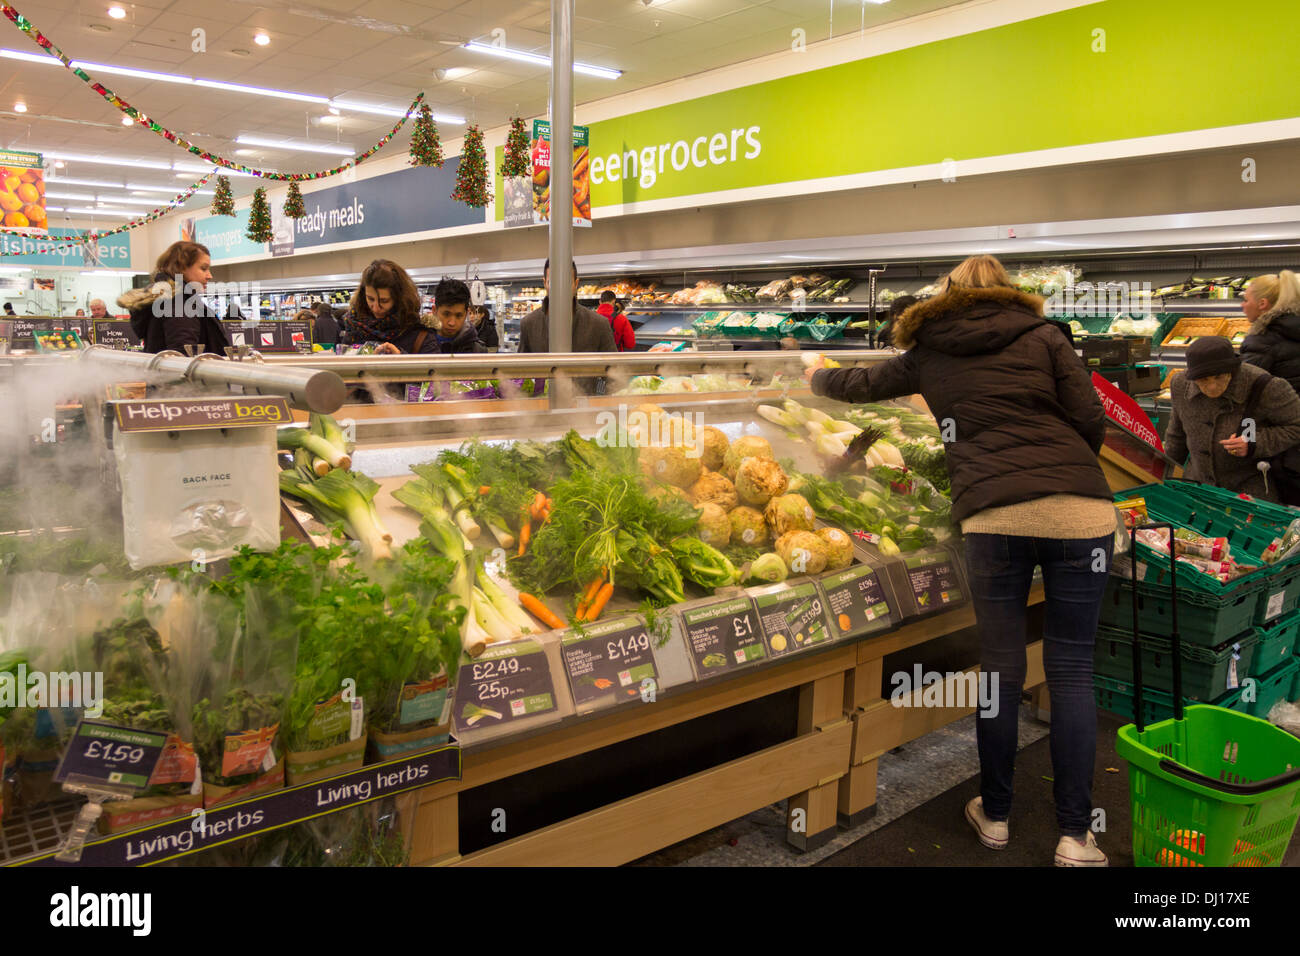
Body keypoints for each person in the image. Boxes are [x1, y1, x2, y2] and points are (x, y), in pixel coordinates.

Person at [806, 254, 1116, 867]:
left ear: (946, 294)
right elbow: (1089, 419)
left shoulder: (931, 346)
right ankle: (1076, 837)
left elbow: (860, 388)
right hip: (1081, 515)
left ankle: (995, 816)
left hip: (992, 516)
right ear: (1008, 293)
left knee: (999, 672)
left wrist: (816, 375)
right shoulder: (1047, 336)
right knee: (1072, 670)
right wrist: (1066, 474)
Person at [1164, 336, 1300, 502]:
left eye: (1219, 377)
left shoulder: (1266, 386)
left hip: (1251, 493)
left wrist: (1254, 443)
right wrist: (1163, 477)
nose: (1212, 386)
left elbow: (1296, 425)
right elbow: (1176, 437)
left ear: (1232, 369)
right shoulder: (1180, 384)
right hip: (1199, 490)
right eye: (1203, 379)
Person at [116, 240, 229, 355]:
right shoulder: (179, 302)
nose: (209, 276)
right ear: (181, 267)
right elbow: (183, 354)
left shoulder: (165, 298)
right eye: (203, 269)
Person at [519, 259, 616, 354]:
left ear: (576, 284)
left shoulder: (599, 325)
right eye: (552, 282)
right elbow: (521, 368)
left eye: (567, 282)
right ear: (544, 283)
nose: (560, 288)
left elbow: (613, 368)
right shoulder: (528, 324)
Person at [339, 259, 435, 354]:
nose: (376, 308)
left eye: (384, 301)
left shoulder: (419, 335)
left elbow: (433, 369)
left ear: (400, 299)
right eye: (370, 299)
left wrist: (401, 360)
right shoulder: (354, 327)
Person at [1238, 270, 1300, 394]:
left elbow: (1244, 387)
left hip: (1277, 411)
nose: (1242, 305)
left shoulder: (1262, 340)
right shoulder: (1293, 328)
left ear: (1262, 303)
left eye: (1246, 300)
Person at [430, 278, 487, 355]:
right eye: (446, 314)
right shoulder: (418, 344)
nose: (452, 323)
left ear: (466, 313)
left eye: (459, 315)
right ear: (434, 311)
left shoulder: (477, 351)